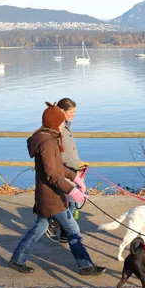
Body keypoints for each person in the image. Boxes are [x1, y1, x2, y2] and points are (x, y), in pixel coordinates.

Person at [9, 102, 106, 276]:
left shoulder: (49, 139)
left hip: (50, 195)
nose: (64, 125)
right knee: (73, 230)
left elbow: (58, 167)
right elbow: (52, 175)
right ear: (54, 123)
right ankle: (86, 266)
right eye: (61, 122)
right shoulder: (47, 143)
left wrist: (74, 177)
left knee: (38, 229)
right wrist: (72, 191)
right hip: (52, 197)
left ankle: (17, 260)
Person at [46, 97, 84, 243]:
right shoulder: (57, 128)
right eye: (71, 112)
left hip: (71, 169)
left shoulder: (66, 125)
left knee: (70, 202)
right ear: (62, 111)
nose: (73, 115)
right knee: (71, 202)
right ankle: (54, 224)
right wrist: (76, 163)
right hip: (64, 170)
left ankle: (64, 233)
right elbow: (59, 153)